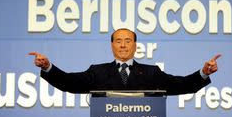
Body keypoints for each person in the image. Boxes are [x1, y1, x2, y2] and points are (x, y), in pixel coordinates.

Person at [29, 28, 221, 95]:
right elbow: (68, 83)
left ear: (135, 45)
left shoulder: (151, 73)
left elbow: (181, 85)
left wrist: (204, 72)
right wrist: (48, 67)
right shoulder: (98, 72)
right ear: (111, 46)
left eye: (128, 40)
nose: (123, 45)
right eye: (118, 41)